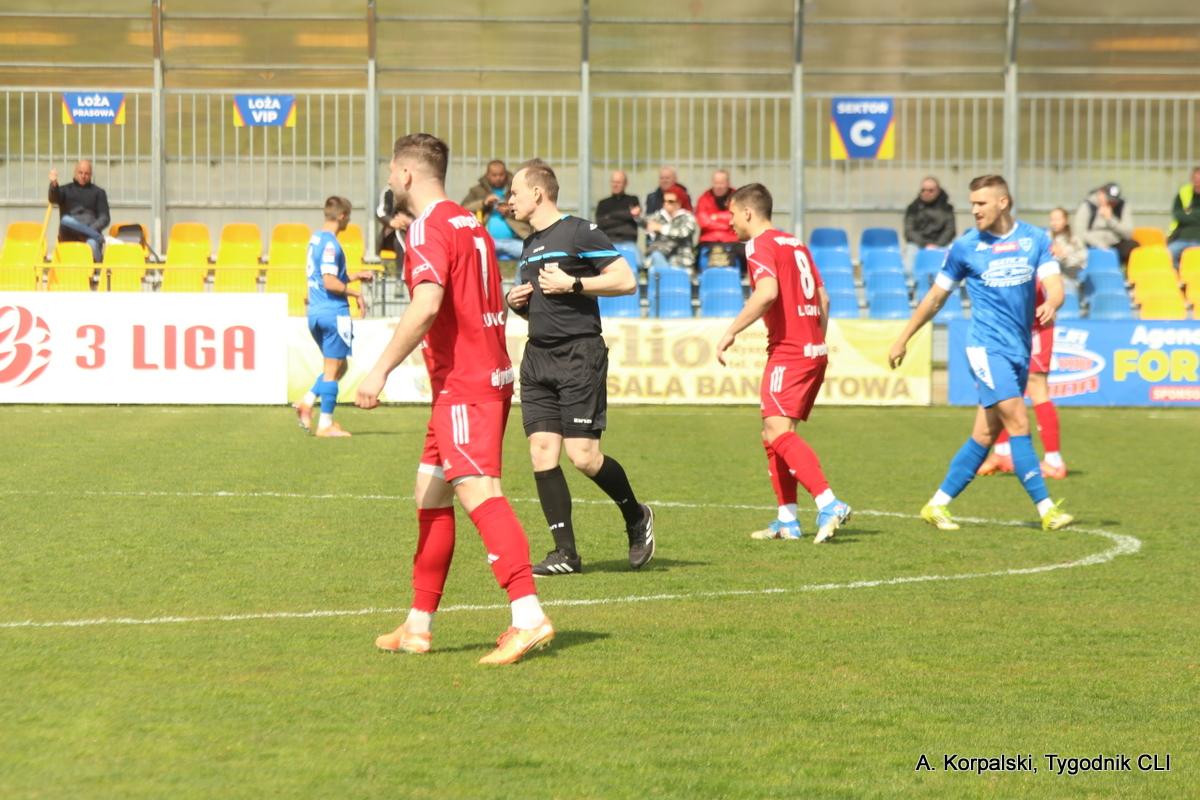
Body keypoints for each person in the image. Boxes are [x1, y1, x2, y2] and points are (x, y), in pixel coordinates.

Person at [357, 133, 554, 666]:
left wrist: (379, 371)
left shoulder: (428, 227)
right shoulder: (470, 223)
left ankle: (528, 616)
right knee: (430, 494)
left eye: (391, 171)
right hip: (471, 379)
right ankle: (418, 625)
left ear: (405, 174)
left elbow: (426, 305)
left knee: (480, 493)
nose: (389, 179)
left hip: (466, 386)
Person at [888, 174, 1073, 532]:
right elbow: (935, 298)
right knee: (1018, 422)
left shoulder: (1034, 239)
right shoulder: (965, 247)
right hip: (985, 348)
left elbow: (1055, 285)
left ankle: (937, 505)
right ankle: (1047, 510)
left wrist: (1052, 302)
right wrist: (903, 338)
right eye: (972, 203)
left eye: (981, 203)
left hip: (1019, 349)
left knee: (985, 435)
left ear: (1003, 203)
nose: (974, 210)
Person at [504, 162, 655, 576]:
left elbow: (625, 280)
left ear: (538, 193)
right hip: (538, 357)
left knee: (584, 457)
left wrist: (574, 283)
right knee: (541, 452)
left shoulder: (579, 232)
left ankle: (636, 516)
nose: (510, 200)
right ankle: (565, 554)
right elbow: (546, 304)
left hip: (578, 355)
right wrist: (519, 305)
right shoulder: (530, 243)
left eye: (515, 191)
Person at [715, 183, 852, 544]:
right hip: (812, 350)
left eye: (732, 213)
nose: (729, 221)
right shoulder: (795, 243)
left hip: (789, 352)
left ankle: (829, 502)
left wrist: (731, 331)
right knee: (773, 434)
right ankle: (787, 520)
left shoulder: (758, 244)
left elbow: (767, 293)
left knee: (777, 432)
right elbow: (824, 298)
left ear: (748, 212)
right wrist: (816, 341)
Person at [293, 196, 375, 438]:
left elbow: (326, 276)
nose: (348, 221)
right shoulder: (331, 245)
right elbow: (329, 282)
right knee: (332, 370)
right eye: (348, 217)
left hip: (316, 312)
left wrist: (356, 275)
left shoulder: (315, 240)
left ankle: (307, 402)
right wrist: (356, 293)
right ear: (342, 216)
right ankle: (325, 423)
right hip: (333, 313)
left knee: (339, 366)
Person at [976, 271, 1068, 481]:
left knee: (1037, 385)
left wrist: (1050, 303)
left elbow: (1048, 286)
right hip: (1002, 328)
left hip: (1033, 327)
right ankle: (1002, 452)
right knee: (1000, 386)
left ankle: (1054, 461)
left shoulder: (1033, 252)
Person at [460, 159, 532, 260]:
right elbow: (462, 209)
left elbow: (529, 208)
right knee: (472, 253)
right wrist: (484, 203)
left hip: (516, 241)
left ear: (506, 174)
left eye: (501, 175)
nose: (498, 178)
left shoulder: (516, 189)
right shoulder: (477, 191)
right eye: (494, 175)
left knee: (530, 253)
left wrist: (511, 210)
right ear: (487, 175)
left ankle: (520, 272)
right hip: (488, 240)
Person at [48, 160, 110, 262]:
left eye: (86, 173)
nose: (83, 176)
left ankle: (97, 268)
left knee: (92, 244)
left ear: (91, 175)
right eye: (80, 173)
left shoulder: (99, 192)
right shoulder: (65, 190)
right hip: (69, 234)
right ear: (75, 173)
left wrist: (89, 229)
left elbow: (104, 217)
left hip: (90, 234)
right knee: (66, 220)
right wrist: (54, 183)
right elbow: (53, 199)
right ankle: (98, 237)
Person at [1074, 182, 1136, 265]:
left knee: (1133, 246)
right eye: (1109, 200)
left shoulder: (1122, 205)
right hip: (1093, 245)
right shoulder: (1087, 206)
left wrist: (1110, 219)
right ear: (1100, 194)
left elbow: (1128, 234)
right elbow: (1080, 233)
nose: (1112, 203)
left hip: (1115, 245)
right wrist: (1100, 246)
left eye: (1114, 201)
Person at [903, 176, 956, 266]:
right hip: (918, 245)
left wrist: (937, 245)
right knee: (910, 253)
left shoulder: (947, 208)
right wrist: (925, 245)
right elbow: (909, 231)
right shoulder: (913, 208)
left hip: (942, 244)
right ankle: (909, 276)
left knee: (954, 253)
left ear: (938, 191)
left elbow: (950, 230)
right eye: (923, 190)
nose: (926, 193)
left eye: (930, 190)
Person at [695, 169, 741, 269]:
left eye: (722, 183)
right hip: (709, 240)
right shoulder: (704, 198)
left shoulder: (737, 197)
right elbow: (703, 222)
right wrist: (726, 224)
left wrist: (716, 217)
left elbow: (739, 219)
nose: (719, 186)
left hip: (733, 240)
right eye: (716, 183)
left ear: (728, 183)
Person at [645, 189, 698, 270]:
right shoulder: (659, 216)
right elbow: (645, 222)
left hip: (682, 259)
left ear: (678, 204)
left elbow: (683, 232)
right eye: (664, 201)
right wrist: (637, 217)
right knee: (655, 256)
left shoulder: (688, 217)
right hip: (661, 256)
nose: (666, 204)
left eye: (670, 201)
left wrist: (661, 228)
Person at [595, 169, 641, 261]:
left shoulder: (632, 200)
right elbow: (601, 223)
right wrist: (627, 215)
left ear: (625, 184)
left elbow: (635, 217)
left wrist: (609, 216)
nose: (615, 185)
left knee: (638, 261)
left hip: (628, 242)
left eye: (619, 182)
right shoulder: (603, 203)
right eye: (613, 182)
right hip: (608, 243)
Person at [1046, 207, 1086, 295]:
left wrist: (1063, 257)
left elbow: (1082, 260)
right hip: (1049, 282)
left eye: (1058, 219)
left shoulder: (1074, 240)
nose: (1054, 223)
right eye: (1052, 220)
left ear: (1066, 221)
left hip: (1069, 280)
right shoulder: (1045, 238)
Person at [1167, 167, 1200, 268]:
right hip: (1182, 238)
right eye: (1195, 179)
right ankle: (1178, 275)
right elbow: (1177, 214)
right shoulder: (1183, 192)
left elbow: (1184, 215)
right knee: (1169, 253)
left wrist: (1189, 214)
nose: (1198, 182)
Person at [376, 186, 412, 259]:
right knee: (398, 237)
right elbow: (380, 212)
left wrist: (409, 221)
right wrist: (391, 222)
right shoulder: (389, 191)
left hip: (415, 231)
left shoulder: (420, 190)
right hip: (394, 235)